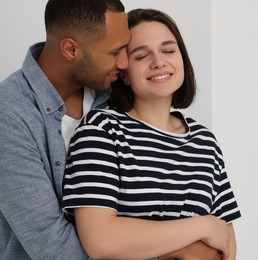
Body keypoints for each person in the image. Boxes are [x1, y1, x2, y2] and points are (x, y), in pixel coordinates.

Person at [0, 1, 218, 259]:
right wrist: (173, 253)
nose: (125, 62)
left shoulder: (112, 93)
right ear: (71, 49)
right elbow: (52, 247)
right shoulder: (10, 114)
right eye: (116, 51)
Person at [62, 8, 241, 260]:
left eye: (168, 50)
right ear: (123, 73)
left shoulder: (204, 141)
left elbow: (226, 244)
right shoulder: (102, 130)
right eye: (141, 55)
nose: (158, 62)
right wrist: (203, 226)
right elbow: (101, 240)